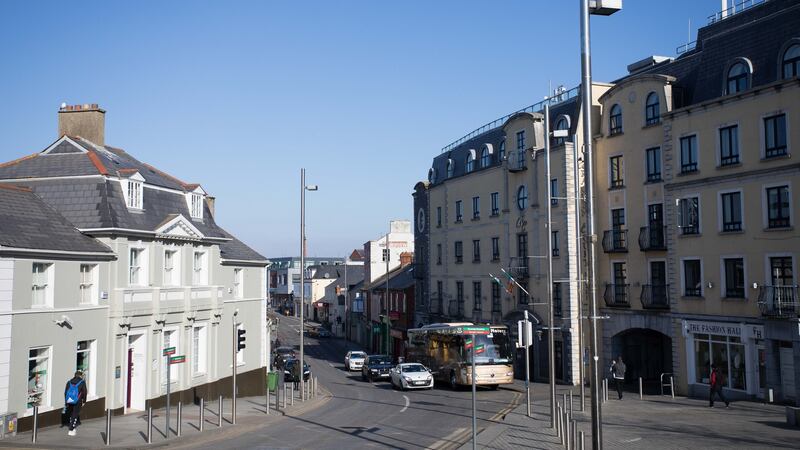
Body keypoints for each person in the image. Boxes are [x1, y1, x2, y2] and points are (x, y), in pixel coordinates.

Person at [64, 371, 87, 436]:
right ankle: (71, 429)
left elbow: (65, 392)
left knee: (71, 413)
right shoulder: (82, 382)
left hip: (69, 400)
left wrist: (66, 401)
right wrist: (84, 401)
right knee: (75, 414)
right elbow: (84, 392)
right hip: (78, 401)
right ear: (80, 376)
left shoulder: (69, 382)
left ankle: (72, 425)